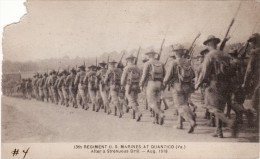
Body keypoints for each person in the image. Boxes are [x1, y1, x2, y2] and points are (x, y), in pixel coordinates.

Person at [195, 35, 238, 138]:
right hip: (226, 84)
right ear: (216, 43)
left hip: (214, 84)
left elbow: (205, 72)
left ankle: (230, 122)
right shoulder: (225, 55)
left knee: (210, 106)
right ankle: (219, 131)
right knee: (220, 108)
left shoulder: (210, 55)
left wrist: (198, 84)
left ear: (209, 44)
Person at [163, 44, 196, 133]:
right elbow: (194, 75)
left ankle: (191, 121)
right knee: (185, 104)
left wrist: (164, 83)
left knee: (179, 106)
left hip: (177, 86)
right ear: (183, 52)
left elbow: (168, 77)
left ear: (175, 53)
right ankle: (179, 123)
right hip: (188, 86)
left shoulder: (174, 62)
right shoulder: (188, 61)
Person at [140, 50, 165, 125]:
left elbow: (144, 75)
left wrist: (141, 84)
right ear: (155, 55)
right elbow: (165, 74)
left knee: (151, 102)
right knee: (157, 102)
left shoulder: (147, 63)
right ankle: (156, 119)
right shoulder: (161, 63)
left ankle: (160, 114)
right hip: (159, 83)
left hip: (151, 83)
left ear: (148, 55)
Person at [242, 33, 260, 124]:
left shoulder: (254, 52)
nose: (250, 44)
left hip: (258, 80)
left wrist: (245, 82)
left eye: (251, 42)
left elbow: (249, 69)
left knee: (255, 102)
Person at [121, 54, 142, 121]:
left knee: (131, 100)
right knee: (135, 100)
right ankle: (133, 115)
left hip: (129, 86)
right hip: (136, 86)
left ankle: (138, 112)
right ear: (133, 59)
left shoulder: (126, 68)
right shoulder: (137, 68)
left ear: (127, 60)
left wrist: (122, 85)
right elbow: (141, 76)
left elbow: (123, 80)